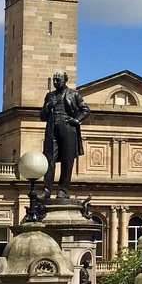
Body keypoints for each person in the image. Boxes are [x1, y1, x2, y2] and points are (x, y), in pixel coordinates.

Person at [40, 71, 89, 199]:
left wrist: (77, 120)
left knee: (67, 161)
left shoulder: (74, 94)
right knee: (49, 160)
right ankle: (46, 190)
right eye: (55, 80)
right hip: (52, 130)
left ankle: (63, 190)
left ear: (65, 80)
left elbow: (85, 110)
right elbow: (42, 116)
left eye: (58, 80)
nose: (56, 82)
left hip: (68, 129)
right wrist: (48, 106)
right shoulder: (50, 96)